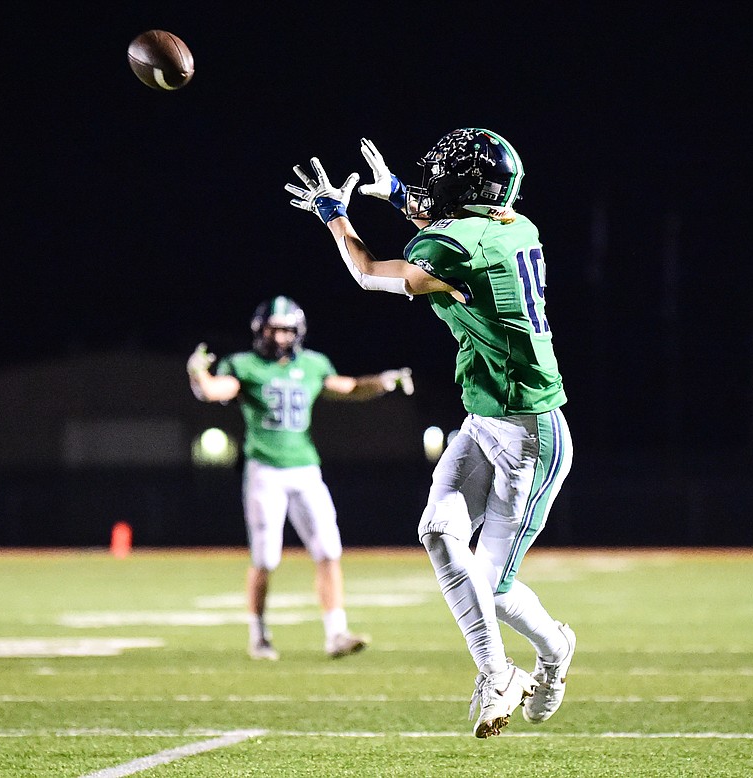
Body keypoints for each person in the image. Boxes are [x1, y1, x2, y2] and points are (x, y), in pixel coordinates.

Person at [285, 129, 574, 738]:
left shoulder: (458, 245)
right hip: (488, 416)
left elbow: (368, 273)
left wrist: (335, 217)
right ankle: (497, 672)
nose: (432, 182)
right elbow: (446, 215)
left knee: (493, 590)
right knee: (439, 530)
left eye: (447, 174)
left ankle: (554, 652)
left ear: (471, 190)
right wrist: (391, 191)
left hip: (530, 434)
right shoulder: (511, 224)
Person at [187, 295, 414, 661]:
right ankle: (258, 634)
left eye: (286, 330)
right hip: (265, 470)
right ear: (260, 331)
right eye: (273, 329)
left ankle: (336, 633)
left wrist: (383, 382)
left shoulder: (312, 364)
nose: (279, 337)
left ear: (298, 332)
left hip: (306, 468)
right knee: (266, 559)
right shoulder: (244, 365)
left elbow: (351, 387)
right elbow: (214, 391)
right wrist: (197, 373)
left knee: (329, 550)